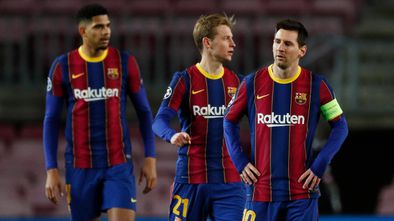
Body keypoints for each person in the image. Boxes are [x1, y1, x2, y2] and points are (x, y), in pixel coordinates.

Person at [223, 19, 348, 221]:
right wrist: (239, 161)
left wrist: (320, 164)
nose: (280, 48)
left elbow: (341, 127)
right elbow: (228, 121)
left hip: (301, 194)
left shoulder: (317, 85)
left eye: (288, 44)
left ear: (302, 51)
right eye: (277, 41)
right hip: (261, 193)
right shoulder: (252, 83)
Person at [43, 4, 157, 221]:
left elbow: (144, 111)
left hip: (118, 164)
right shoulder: (63, 66)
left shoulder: (125, 63)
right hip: (79, 168)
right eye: (98, 27)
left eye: (108, 26)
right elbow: (51, 119)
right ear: (83, 31)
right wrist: (51, 170)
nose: (106, 31)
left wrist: (150, 157)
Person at [152, 14, 245, 221]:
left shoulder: (239, 83)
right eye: (226, 38)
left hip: (230, 182)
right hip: (191, 178)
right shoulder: (184, 80)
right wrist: (172, 135)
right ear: (207, 42)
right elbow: (158, 121)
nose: (233, 43)